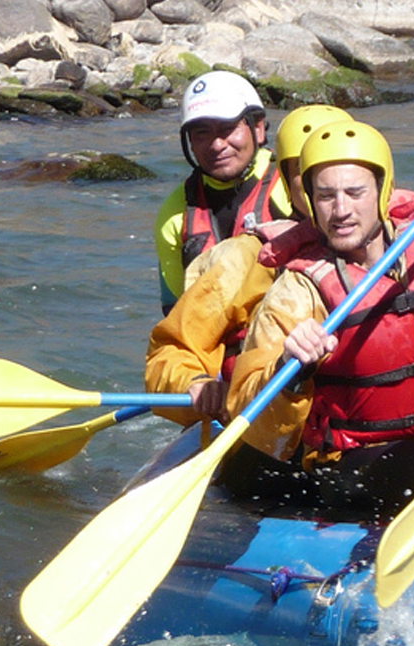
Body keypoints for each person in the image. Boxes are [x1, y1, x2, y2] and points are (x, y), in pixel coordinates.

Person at [222, 119, 414, 516]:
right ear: (311, 202)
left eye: (355, 192)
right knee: (410, 468)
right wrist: (289, 369)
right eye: (326, 195)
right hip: (355, 464)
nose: (341, 210)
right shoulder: (298, 290)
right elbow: (252, 414)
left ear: (382, 192)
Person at [143, 104, 348, 425]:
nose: (332, 193)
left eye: (348, 177)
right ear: (286, 179)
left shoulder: (411, 244)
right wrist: (194, 382)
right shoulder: (243, 259)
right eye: (306, 173)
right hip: (266, 426)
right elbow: (169, 353)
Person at [153, 70, 291, 314]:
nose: (217, 145)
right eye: (202, 133)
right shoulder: (175, 213)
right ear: (190, 142)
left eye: (228, 128)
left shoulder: (291, 187)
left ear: (258, 128)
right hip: (216, 345)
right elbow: (174, 312)